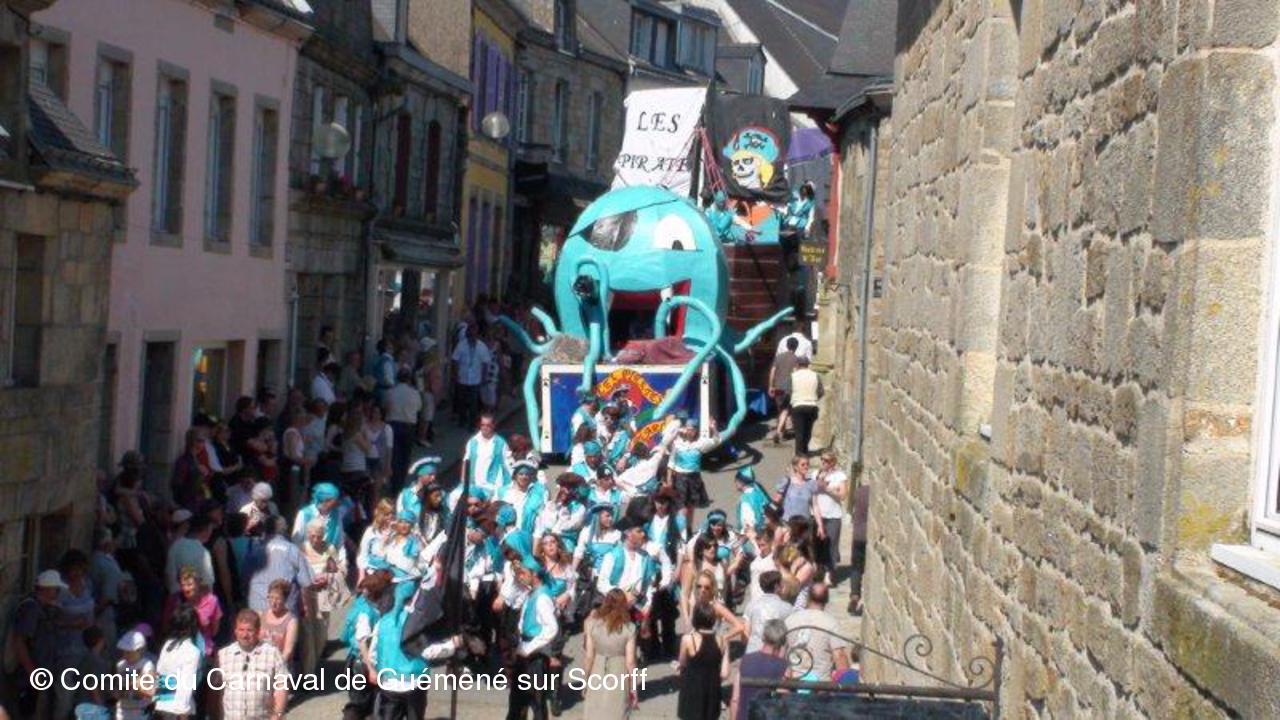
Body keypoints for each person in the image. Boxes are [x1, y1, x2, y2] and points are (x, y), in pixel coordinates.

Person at [11, 570, 68, 718]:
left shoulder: (44, 608)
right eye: (55, 589)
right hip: (28, 676)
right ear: (47, 589)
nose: (57, 593)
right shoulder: (31, 608)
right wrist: (32, 672)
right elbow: (19, 641)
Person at [507, 558, 558, 720]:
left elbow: (551, 628)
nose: (520, 576)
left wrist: (529, 648)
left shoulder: (542, 597)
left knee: (536, 701)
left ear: (534, 574)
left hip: (535, 657)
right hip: (524, 651)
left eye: (523, 573)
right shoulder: (531, 593)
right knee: (517, 700)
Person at [217, 609, 290, 720]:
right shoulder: (223, 655)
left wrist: (278, 714)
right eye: (241, 630)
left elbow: (282, 686)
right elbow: (216, 691)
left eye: (249, 630)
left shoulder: (272, 653)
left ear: (258, 631)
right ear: (235, 631)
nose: (245, 635)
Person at [301, 516, 350, 675]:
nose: (316, 539)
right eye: (312, 536)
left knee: (321, 632)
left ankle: (315, 662)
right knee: (307, 633)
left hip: (323, 595)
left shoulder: (329, 548)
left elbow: (340, 570)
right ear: (308, 534)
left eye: (319, 536)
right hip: (306, 595)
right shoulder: (301, 548)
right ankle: (309, 671)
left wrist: (328, 577)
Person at [581, 589, 638, 719]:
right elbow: (630, 662)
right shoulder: (629, 628)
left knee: (594, 712)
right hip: (619, 670)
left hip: (597, 668)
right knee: (617, 711)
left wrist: (585, 680)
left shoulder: (592, 624)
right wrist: (633, 688)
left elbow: (589, 657)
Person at [247, 517, 315, 615]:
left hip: (257, 608)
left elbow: (244, 579)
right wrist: (305, 607)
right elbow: (306, 583)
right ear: (284, 530)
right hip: (284, 610)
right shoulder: (293, 550)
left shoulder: (254, 550)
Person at [783, 583, 850, 682]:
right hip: (820, 683)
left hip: (793, 680)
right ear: (827, 600)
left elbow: (781, 650)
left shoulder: (790, 619)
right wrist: (845, 683)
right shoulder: (831, 623)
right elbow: (839, 655)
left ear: (808, 598)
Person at [676, 602, 730, 720]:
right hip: (712, 690)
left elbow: (682, 662)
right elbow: (725, 673)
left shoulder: (688, 639)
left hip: (692, 689)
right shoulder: (722, 641)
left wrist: (679, 669)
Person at [666, 419, 721, 529]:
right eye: (688, 429)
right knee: (682, 508)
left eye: (692, 430)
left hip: (694, 478)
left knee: (691, 507)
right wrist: (669, 479)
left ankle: (689, 529)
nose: (690, 432)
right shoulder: (678, 443)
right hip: (680, 478)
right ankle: (680, 531)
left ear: (696, 431)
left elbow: (716, 441)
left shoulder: (700, 443)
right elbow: (671, 462)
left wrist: (713, 428)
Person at [730, 619, 790, 720]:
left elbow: (735, 699)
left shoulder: (745, 660)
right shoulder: (783, 667)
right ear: (782, 641)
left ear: (763, 637)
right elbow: (782, 703)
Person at [153, 604, 203, 719]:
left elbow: (159, 673)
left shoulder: (167, 646)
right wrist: (182, 714)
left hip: (160, 705)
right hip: (176, 710)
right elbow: (185, 685)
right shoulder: (192, 651)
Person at [163, 567, 222, 661]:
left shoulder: (212, 601)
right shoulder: (174, 600)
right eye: (183, 585)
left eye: (189, 584)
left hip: (204, 650)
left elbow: (215, 630)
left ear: (198, 583)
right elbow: (166, 625)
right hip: (179, 649)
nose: (186, 589)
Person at [812, 451, 848, 581]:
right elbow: (812, 492)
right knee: (817, 544)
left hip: (833, 515)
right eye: (822, 459)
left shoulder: (840, 476)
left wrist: (827, 489)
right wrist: (831, 488)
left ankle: (829, 572)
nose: (823, 463)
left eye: (826, 461)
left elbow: (843, 495)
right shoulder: (816, 474)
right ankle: (818, 571)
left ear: (833, 462)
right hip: (817, 514)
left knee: (832, 543)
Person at [461, 413, 512, 501]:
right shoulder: (473, 442)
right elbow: (466, 461)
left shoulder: (501, 443)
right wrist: (463, 481)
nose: (485, 428)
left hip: (491, 487)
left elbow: (508, 465)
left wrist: (509, 485)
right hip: (474, 485)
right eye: (483, 425)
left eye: (488, 425)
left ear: (493, 426)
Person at [386, 369, 422, 492]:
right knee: (405, 456)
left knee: (394, 456)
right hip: (408, 426)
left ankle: (394, 482)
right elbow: (419, 408)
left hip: (393, 426)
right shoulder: (414, 393)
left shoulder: (391, 392)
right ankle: (400, 482)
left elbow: (385, 406)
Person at [743, 570, 794, 653]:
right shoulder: (787, 608)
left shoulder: (751, 605)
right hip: (775, 653)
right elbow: (791, 634)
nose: (783, 586)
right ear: (776, 586)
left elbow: (746, 633)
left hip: (752, 651)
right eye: (781, 583)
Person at [452, 324, 492, 428]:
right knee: (462, 401)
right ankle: (462, 421)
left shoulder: (482, 347)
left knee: (473, 403)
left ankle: (472, 423)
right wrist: (455, 374)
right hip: (462, 378)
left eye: (474, 334)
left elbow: (485, 363)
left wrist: (484, 377)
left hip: (475, 379)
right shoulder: (461, 345)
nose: (472, 336)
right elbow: (455, 360)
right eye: (470, 334)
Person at [165, 515, 215, 594]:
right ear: (206, 530)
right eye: (211, 530)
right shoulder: (203, 553)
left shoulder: (174, 546)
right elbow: (207, 583)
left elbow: (169, 576)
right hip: (197, 597)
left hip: (176, 597)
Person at [114, 630, 156, 720]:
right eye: (124, 652)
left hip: (141, 713)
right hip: (122, 712)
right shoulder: (120, 665)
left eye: (129, 652)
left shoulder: (147, 665)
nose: (125, 655)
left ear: (139, 651)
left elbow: (151, 692)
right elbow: (117, 690)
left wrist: (136, 685)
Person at [259, 579, 299, 666]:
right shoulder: (261, 615)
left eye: (278, 599)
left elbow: (288, 650)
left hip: (280, 664)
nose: (273, 602)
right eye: (271, 597)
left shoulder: (291, 621)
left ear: (285, 600)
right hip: (260, 662)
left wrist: (277, 666)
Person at [788, 356, 822, 456]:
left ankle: (799, 454)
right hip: (811, 405)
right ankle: (805, 450)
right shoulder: (815, 375)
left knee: (799, 431)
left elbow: (788, 391)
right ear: (808, 364)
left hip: (798, 405)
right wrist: (813, 397)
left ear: (797, 365)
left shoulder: (793, 376)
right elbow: (821, 392)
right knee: (808, 430)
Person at [768, 337, 800, 444]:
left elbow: (772, 372)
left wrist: (771, 386)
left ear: (787, 345)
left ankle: (783, 431)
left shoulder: (778, 357)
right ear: (796, 347)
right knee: (785, 410)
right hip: (788, 388)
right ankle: (779, 432)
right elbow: (795, 373)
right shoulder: (796, 359)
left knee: (780, 409)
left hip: (777, 387)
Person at [772, 456, 817, 523]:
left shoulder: (811, 483)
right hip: (788, 522)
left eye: (807, 464)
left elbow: (815, 506)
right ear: (795, 467)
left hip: (805, 523)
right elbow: (775, 501)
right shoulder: (787, 481)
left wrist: (820, 525)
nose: (806, 466)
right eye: (803, 464)